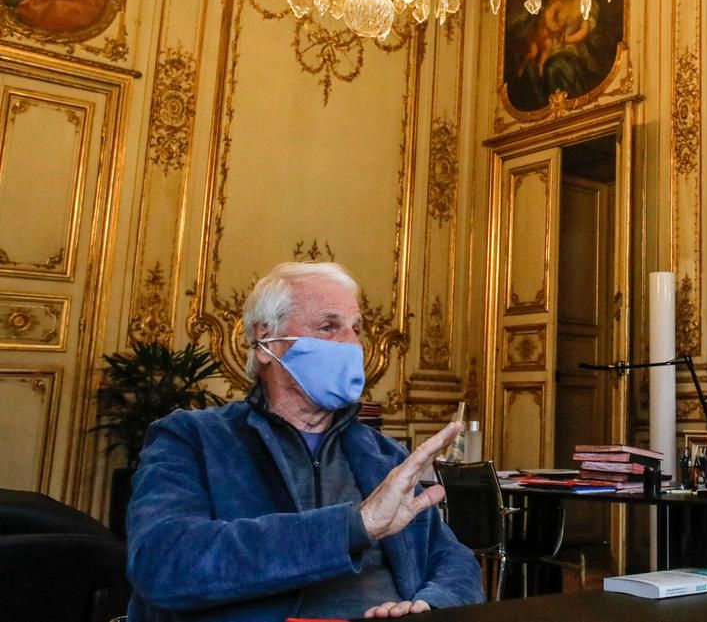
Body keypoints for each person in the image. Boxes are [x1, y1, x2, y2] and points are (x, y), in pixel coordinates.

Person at [126, 262, 484, 621]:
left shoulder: (384, 455)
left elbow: (452, 560)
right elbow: (165, 561)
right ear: (265, 341)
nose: (352, 344)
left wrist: (429, 606)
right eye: (329, 327)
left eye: (355, 329)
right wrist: (354, 526)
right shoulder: (191, 438)